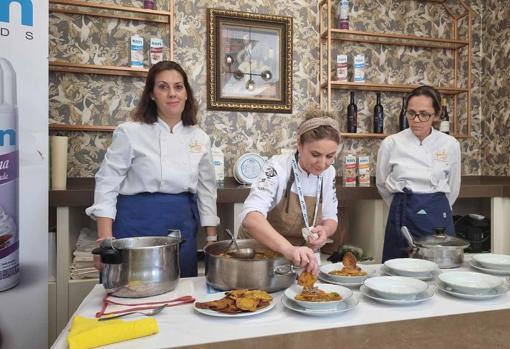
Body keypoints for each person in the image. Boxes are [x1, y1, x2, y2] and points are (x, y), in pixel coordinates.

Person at [86, 61, 219, 277]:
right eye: (163, 87)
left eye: (178, 87)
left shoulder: (199, 138)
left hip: (180, 228)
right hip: (135, 226)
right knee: (131, 293)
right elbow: (107, 183)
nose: (172, 94)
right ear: (151, 94)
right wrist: (105, 240)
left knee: (180, 296)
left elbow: (207, 191)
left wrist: (212, 239)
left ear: (187, 94)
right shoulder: (130, 132)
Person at [238, 109, 341, 275]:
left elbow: (331, 217)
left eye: (330, 156)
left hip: (299, 258)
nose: (322, 164)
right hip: (258, 257)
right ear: (299, 144)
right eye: (315, 154)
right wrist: (289, 249)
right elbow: (251, 218)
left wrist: (325, 231)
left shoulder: (328, 173)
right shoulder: (276, 168)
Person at [376, 85, 461, 262]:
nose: (416, 120)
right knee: (398, 269)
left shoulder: (450, 144)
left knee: (440, 267)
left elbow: (453, 187)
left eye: (424, 114)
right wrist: (401, 205)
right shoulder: (391, 143)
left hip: (438, 214)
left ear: (436, 116)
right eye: (411, 113)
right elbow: (382, 184)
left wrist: (435, 206)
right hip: (402, 212)